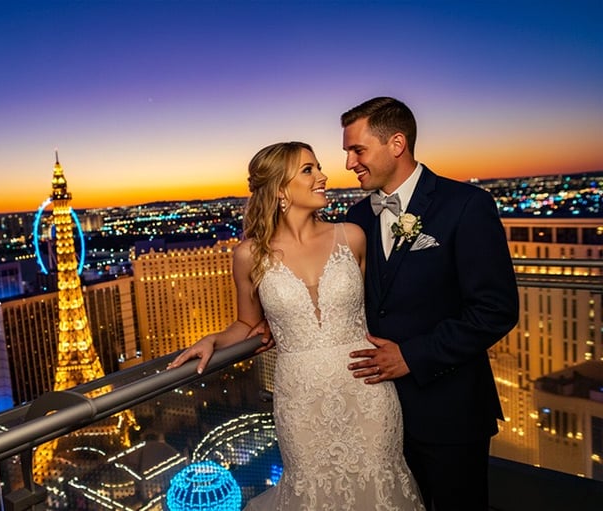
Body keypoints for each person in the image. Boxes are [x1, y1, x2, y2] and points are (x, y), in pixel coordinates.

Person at [168, 141, 424, 510]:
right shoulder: (248, 255)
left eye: (318, 167)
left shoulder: (352, 236)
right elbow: (246, 323)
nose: (323, 176)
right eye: (308, 170)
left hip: (366, 389)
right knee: (314, 492)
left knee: (380, 484)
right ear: (279, 188)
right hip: (301, 399)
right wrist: (214, 340)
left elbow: (377, 310)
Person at [342, 97, 519, 511]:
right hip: (379, 413)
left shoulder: (466, 206)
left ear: (397, 144)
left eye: (358, 150)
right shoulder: (357, 218)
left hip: (450, 411)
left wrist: (413, 356)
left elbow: (496, 309)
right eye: (348, 152)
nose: (349, 163)